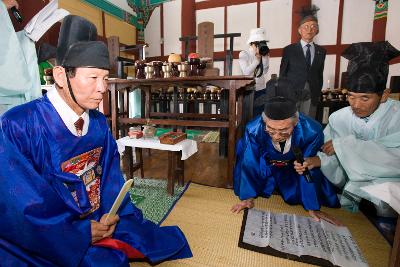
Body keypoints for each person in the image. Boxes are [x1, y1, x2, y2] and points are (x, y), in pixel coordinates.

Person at [0, 15, 192, 266]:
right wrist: (78, 232)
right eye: (93, 78)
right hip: (48, 232)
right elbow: (20, 203)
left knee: (150, 239)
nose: (102, 88)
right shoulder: (18, 125)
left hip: (97, 215)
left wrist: (110, 215)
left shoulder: (98, 124)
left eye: (105, 77)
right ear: (61, 76)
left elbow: (110, 178)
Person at [294, 41, 400, 216]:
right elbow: (329, 152)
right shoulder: (340, 118)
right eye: (351, 96)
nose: (356, 105)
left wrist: (345, 146)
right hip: (352, 188)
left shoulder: (397, 116)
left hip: (388, 185)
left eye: (365, 98)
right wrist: (318, 161)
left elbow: (393, 160)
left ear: (384, 95)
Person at [232, 78, 341, 225]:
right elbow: (250, 162)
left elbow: (307, 167)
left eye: (283, 130)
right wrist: (248, 197)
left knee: (295, 196)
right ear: (264, 121)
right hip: (265, 166)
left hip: (293, 170)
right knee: (243, 147)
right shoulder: (254, 129)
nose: (276, 136)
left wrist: (312, 205)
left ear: (296, 122)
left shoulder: (312, 131)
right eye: (271, 130)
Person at [279, 5, 325, 119]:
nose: (309, 30)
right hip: (292, 93)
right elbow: (282, 74)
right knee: (290, 122)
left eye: (313, 26)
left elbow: (320, 74)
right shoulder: (289, 50)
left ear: (317, 30)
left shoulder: (321, 51)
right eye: (306, 27)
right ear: (299, 30)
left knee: (308, 122)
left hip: (312, 93)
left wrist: (317, 93)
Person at [239, 27, 270, 117]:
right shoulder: (244, 54)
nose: (259, 46)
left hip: (261, 90)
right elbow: (246, 73)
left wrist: (265, 58)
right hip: (248, 91)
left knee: (261, 117)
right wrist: (256, 60)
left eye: (262, 43)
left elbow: (264, 71)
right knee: (248, 117)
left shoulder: (263, 53)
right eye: (258, 43)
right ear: (251, 43)